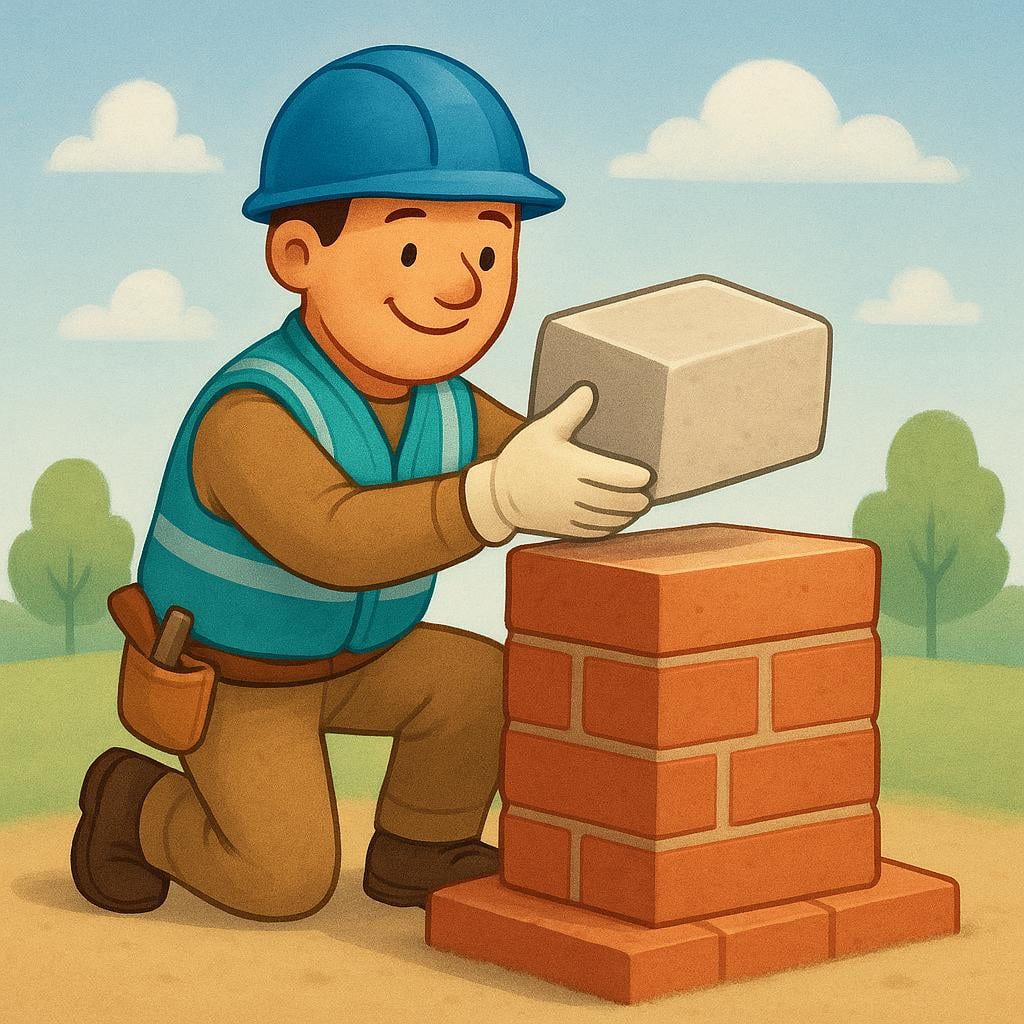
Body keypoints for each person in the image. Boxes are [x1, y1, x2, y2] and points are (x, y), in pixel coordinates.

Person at [71, 45, 652, 921]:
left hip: (368, 657)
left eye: (489, 250)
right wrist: (493, 499)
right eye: (413, 248)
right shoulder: (252, 413)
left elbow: (541, 452)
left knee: (474, 682)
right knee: (282, 881)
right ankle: (134, 806)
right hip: (240, 679)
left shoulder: (447, 405)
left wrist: (621, 459)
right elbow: (332, 539)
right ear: (298, 254)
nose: (461, 286)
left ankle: (423, 846)